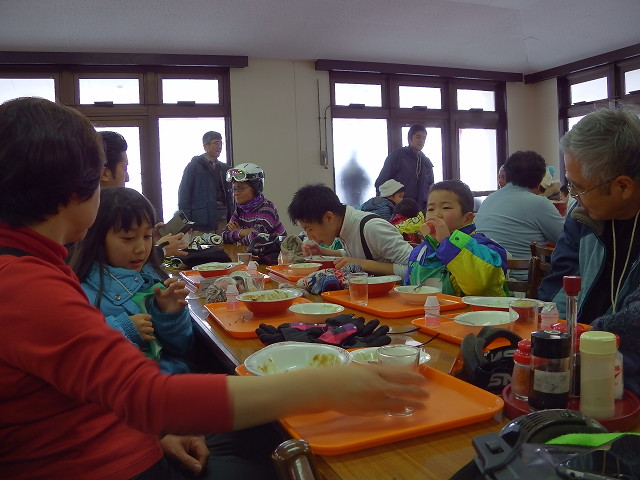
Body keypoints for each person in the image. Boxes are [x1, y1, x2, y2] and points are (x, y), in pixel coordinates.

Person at [0, 97, 429, 479]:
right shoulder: (25, 285)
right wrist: (327, 386)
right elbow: (149, 396)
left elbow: (111, 393)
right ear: (72, 192)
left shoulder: (32, 267)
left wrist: (158, 430)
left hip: (128, 437)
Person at [69, 187, 194, 374]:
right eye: (128, 238)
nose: (141, 249)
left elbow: (181, 348)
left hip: (166, 378)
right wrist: (124, 329)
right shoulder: (80, 294)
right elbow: (79, 354)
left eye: (147, 236)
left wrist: (171, 316)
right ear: (97, 238)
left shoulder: (151, 280)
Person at [538, 106, 640, 324]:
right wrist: (551, 332)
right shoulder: (582, 217)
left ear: (623, 187)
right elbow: (558, 288)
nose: (573, 196)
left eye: (579, 187)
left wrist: (592, 336)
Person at [405, 180, 508, 296]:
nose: (436, 214)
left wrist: (447, 243)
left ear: (467, 218)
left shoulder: (485, 247)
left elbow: (479, 286)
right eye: (431, 209)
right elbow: (409, 290)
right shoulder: (419, 253)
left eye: (446, 208)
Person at [288, 184, 413, 277]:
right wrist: (323, 252)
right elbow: (358, 253)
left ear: (329, 217)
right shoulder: (344, 226)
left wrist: (361, 264)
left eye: (309, 229)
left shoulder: (372, 228)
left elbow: (416, 269)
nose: (310, 237)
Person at [97, 131, 187, 258]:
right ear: (104, 173)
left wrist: (147, 238)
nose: (127, 178)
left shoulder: (101, 207)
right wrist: (160, 251)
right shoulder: (88, 215)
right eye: (128, 238)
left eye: (145, 236)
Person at [474, 150, 565, 274]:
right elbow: (566, 238)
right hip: (525, 280)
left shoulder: (489, 199)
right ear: (540, 180)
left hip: (486, 277)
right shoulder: (539, 203)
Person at [178, 131, 231, 233]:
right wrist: (187, 222)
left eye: (221, 143)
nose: (219, 146)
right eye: (216, 143)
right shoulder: (194, 166)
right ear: (206, 146)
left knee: (223, 243)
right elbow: (184, 195)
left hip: (223, 219)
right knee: (202, 244)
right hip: (201, 222)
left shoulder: (224, 168)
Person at [221, 162, 286, 245]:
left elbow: (255, 240)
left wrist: (238, 233)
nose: (236, 193)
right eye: (234, 189)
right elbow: (224, 236)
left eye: (241, 188)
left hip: (278, 252)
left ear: (256, 188)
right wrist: (243, 232)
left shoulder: (267, 208)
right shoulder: (240, 209)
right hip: (254, 252)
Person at [375, 124, 434, 211]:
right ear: (410, 139)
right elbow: (381, 183)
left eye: (424, 138)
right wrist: (383, 207)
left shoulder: (426, 163)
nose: (421, 141)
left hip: (419, 211)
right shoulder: (397, 156)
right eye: (418, 137)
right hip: (398, 209)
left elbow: (430, 188)